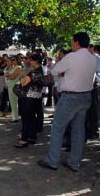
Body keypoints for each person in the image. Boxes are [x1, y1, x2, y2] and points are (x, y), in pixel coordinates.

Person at [38, 32, 97, 172]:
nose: (71, 44)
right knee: (78, 130)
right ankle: (74, 162)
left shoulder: (72, 56)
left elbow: (55, 70)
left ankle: (52, 161)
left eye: (72, 42)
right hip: (86, 96)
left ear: (76, 42)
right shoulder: (94, 58)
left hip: (71, 97)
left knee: (58, 128)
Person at [14, 54, 44, 148]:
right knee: (32, 117)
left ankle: (24, 140)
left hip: (29, 96)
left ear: (36, 61)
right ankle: (32, 137)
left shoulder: (34, 71)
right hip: (37, 96)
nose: (29, 62)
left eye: (31, 60)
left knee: (26, 118)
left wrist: (22, 79)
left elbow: (23, 82)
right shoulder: (41, 70)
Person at [6, 56, 22, 123]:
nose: (12, 61)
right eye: (12, 60)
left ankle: (15, 118)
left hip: (14, 86)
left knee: (14, 102)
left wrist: (8, 75)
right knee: (12, 102)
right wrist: (9, 75)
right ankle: (14, 116)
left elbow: (12, 77)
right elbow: (6, 72)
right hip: (10, 86)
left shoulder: (18, 67)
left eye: (14, 60)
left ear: (17, 60)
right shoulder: (13, 67)